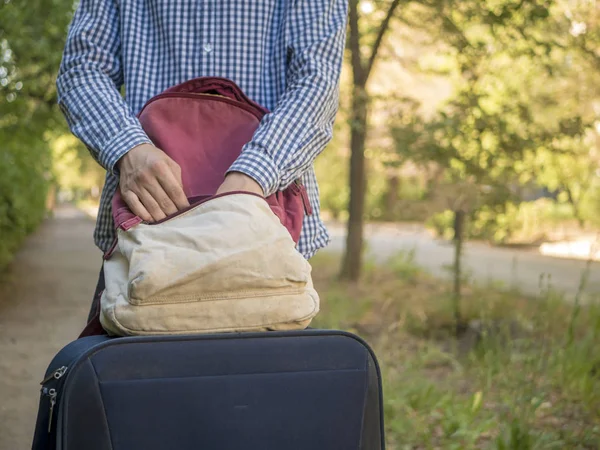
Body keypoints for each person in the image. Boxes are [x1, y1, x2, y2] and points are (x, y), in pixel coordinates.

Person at [56, 0, 347, 331]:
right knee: (135, 377)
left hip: (263, 227)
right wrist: (129, 149)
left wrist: (253, 176)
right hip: (149, 222)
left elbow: (317, 82)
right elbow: (82, 68)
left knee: (261, 381)